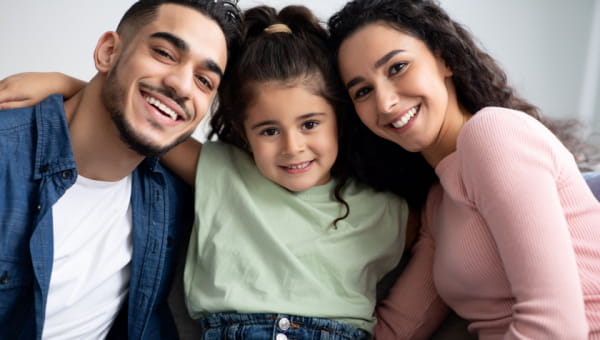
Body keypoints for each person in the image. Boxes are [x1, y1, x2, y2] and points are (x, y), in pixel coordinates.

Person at [0, 4, 420, 340]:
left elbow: (444, 232)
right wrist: (71, 85)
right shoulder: (223, 175)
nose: (293, 147)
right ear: (242, 131)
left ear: (340, 121)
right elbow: (142, 121)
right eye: (269, 130)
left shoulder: (383, 210)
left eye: (310, 123)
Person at [327, 0, 600, 339]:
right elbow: (397, 328)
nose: (384, 102)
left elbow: (556, 326)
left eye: (397, 68)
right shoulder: (437, 204)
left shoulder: (493, 133)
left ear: (443, 58)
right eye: (363, 91)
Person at [0, 0, 242, 338]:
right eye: (165, 54)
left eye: (204, 80)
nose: (183, 86)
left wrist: (73, 85)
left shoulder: (170, 196)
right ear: (108, 52)